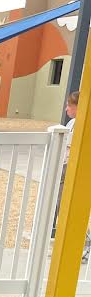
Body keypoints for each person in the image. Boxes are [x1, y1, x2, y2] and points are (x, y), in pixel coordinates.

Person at [53, 91, 90, 262]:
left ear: (78, 107)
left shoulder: (82, 125)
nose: (66, 108)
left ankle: (82, 246)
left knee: (70, 208)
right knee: (61, 206)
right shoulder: (72, 123)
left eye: (70, 105)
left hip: (72, 169)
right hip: (65, 168)